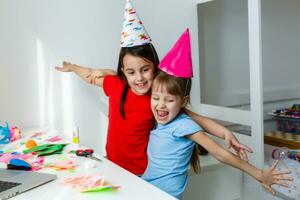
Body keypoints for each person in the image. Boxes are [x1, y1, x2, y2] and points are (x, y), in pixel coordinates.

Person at [56, 0, 252, 175]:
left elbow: (196, 118)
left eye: (145, 69)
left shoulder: (157, 98)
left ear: (154, 66)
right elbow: (91, 76)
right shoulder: (116, 85)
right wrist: (73, 67)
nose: (139, 78)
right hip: (113, 166)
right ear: (123, 71)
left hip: (142, 173)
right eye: (131, 72)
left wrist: (225, 133)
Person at [141, 29, 292, 199]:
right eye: (155, 98)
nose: (160, 105)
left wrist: (258, 174)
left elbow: (221, 153)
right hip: (146, 187)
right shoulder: (165, 118)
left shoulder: (183, 125)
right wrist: (225, 132)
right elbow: (196, 117)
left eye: (168, 100)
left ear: (183, 101)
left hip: (163, 196)